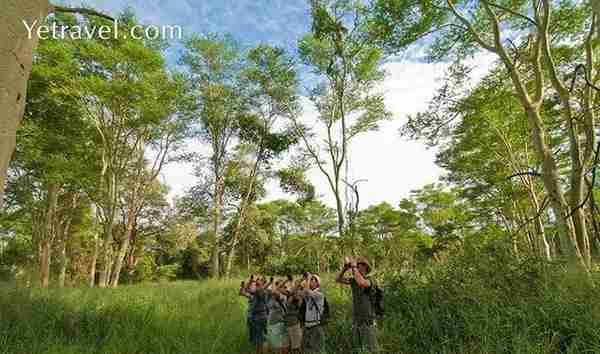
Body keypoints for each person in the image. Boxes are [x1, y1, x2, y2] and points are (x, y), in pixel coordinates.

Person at [336, 256, 378, 353]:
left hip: (368, 320)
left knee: (371, 349)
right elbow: (338, 279)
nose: (357, 268)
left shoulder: (371, 280)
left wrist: (353, 266)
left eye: (360, 266)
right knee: (358, 349)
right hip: (357, 320)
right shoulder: (353, 281)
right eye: (357, 266)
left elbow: (361, 283)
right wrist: (344, 268)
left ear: (365, 267)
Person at [240, 276, 270, 354]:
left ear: (263, 284)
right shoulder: (256, 293)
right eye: (256, 283)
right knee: (258, 340)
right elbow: (244, 291)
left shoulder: (262, 291)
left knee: (261, 340)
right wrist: (249, 281)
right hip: (255, 318)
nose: (256, 284)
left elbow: (249, 290)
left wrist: (250, 283)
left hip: (260, 318)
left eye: (258, 283)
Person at [300, 273, 326, 354]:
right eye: (310, 280)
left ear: (317, 283)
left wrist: (308, 277)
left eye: (312, 280)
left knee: (315, 350)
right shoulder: (308, 295)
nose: (310, 281)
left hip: (315, 327)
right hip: (307, 327)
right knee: (306, 350)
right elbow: (303, 292)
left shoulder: (319, 295)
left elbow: (307, 291)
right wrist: (305, 280)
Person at [266, 280, 290, 354]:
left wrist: (276, 287)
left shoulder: (283, 296)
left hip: (283, 323)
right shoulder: (269, 296)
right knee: (276, 348)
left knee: (285, 347)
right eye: (282, 287)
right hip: (273, 324)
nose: (284, 288)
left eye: (284, 287)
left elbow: (275, 293)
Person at [284, 279, 304, 354]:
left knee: (296, 348)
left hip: (294, 324)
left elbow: (298, 303)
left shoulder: (299, 296)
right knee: (287, 347)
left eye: (297, 285)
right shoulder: (290, 295)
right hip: (287, 324)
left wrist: (296, 287)